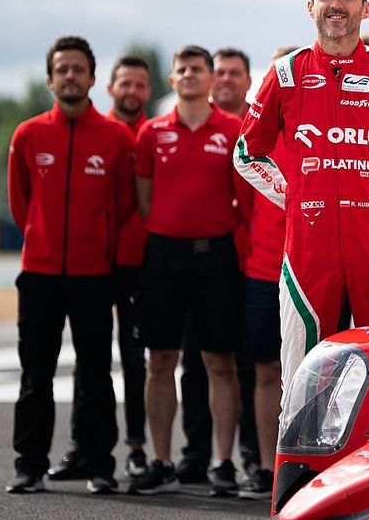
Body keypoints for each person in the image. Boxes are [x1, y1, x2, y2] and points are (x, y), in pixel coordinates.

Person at [233, 0, 369, 392]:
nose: (336, 4)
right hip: (308, 249)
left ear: (366, 7)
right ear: (310, 7)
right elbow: (247, 152)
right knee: (303, 379)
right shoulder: (285, 73)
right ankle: (299, 463)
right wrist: (293, 195)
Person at [5, 36, 135, 495]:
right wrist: (41, 239)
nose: (70, 76)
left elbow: (123, 206)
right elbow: (21, 205)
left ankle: (101, 465)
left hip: (93, 275)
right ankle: (29, 465)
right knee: (34, 373)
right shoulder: (28, 135)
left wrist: (93, 244)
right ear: (50, 78)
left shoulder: (116, 137)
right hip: (38, 274)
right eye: (62, 69)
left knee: (97, 374)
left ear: (93, 78)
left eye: (78, 69)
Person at [130, 45, 244, 496]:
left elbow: (244, 197)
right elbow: (143, 199)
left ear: (213, 79)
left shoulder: (234, 130)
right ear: (172, 80)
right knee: (160, 361)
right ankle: (161, 460)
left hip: (215, 257)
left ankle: (222, 463)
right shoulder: (151, 133)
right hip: (163, 257)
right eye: (183, 70)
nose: (191, 74)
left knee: (219, 362)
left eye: (199, 69)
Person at [48, 55, 153, 483]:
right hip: (92, 264)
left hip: (138, 266)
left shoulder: (153, 133)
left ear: (148, 90)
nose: (131, 91)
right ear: (109, 87)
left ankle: (136, 448)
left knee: (134, 360)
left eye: (139, 85)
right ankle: (82, 446)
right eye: (124, 83)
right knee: (87, 361)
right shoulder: (96, 131)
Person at [169, 47, 259, 485]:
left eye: (233, 73)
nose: (224, 79)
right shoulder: (182, 127)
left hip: (248, 264)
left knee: (244, 363)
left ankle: (250, 455)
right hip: (204, 265)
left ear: (247, 81)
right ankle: (196, 452)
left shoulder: (257, 128)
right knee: (194, 360)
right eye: (218, 72)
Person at [234, 45, 297, 501]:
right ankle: (261, 464)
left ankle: (307, 459)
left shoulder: (325, 128)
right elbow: (239, 203)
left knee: (315, 370)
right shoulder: (256, 133)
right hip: (262, 269)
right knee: (263, 370)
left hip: (310, 271)